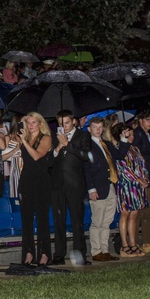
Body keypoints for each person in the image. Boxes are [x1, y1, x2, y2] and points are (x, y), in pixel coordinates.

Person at [50, 110, 92, 265]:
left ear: (74, 121)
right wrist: (57, 149)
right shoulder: (55, 137)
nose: (64, 126)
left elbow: (85, 155)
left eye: (66, 123)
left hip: (75, 184)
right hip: (58, 184)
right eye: (61, 124)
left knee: (76, 221)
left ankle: (80, 254)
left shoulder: (83, 136)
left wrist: (68, 144)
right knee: (59, 220)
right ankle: (59, 254)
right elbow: (50, 161)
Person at [12, 112, 53, 266]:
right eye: (28, 122)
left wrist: (25, 142)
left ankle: (44, 253)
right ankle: (28, 253)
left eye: (33, 122)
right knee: (26, 220)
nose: (30, 125)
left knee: (42, 219)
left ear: (40, 123)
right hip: (26, 180)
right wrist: (22, 139)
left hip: (41, 180)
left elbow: (37, 156)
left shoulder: (46, 138)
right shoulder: (24, 138)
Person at [111, 121, 149, 257]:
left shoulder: (135, 149)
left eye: (132, 133)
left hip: (137, 186)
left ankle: (133, 243)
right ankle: (124, 244)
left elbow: (142, 165)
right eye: (128, 133)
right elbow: (123, 168)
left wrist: (145, 178)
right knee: (125, 213)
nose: (131, 136)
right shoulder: (119, 148)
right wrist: (138, 179)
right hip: (126, 185)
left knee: (134, 214)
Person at [83, 117, 119, 261]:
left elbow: (118, 156)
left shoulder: (106, 144)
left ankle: (104, 249)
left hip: (110, 184)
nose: (98, 130)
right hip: (97, 186)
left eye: (100, 127)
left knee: (107, 220)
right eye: (95, 127)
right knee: (97, 220)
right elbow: (86, 168)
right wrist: (91, 188)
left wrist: (121, 139)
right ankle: (96, 250)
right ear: (89, 129)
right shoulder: (88, 145)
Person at [132, 111, 150, 254]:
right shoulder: (136, 134)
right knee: (140, 211)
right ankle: (136, 242)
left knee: (149, 210)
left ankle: (147, 241)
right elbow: (138, 154)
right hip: (143, 177)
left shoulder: (149, 135)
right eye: (148, 120)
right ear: (141, 120)